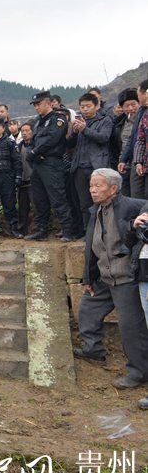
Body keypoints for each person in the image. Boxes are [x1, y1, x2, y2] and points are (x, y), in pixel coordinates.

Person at [74, 168, 148, 392]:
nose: (92, 190)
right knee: (88, 308)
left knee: (131, 327)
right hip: (105, 276)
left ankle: (138, 372)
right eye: (91, 185)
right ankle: (93, 349)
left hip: (125, 276)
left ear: (114, 189)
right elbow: (92, 248)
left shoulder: (128, 206)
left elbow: (146, 205)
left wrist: (138, 221)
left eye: (98, 186)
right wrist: (88, 277)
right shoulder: (96, 210)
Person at [25, 91, 79, 241]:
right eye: (34, 105)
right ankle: (41, 230)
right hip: (38, 164)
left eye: (39, 104)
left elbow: (52, 139)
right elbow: (32, 141)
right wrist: (33, 152)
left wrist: (35, 151)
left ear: (48, 103)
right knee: (39, 200)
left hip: (52, 163)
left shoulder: (58, 119)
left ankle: (68, 230)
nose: (36, 107)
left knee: (58, 198)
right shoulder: (37, 121)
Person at [67, 93, 114, 230]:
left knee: (101, 201)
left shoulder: (105, 120)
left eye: (88, 106)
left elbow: (103, 138)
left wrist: (84, 130)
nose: (85, 109)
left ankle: (103, 232)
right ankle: (88, 231)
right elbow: (69, 144)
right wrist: (75, 132)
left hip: (97, 168)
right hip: (79, 168)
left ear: (96, 106)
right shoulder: (79, 122)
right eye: (82, 107)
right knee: (84, 203)